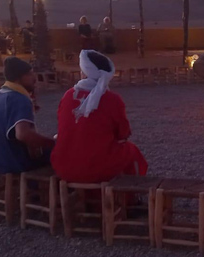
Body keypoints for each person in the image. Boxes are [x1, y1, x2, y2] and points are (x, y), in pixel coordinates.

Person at [52, 50, 148, 183]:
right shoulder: (113, 99)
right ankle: (129, 196)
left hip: (64, 166)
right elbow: (123, 134)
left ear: (84, 72)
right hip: (97, 169)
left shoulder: (68, 95)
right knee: (131, 152)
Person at [0, 57, 55, 174]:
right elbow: (23, 134)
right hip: (14, 163)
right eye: (30, 75)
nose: (34, 79)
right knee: (62, 151)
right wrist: (53, 143)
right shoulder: (18, 98)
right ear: (18, 78)